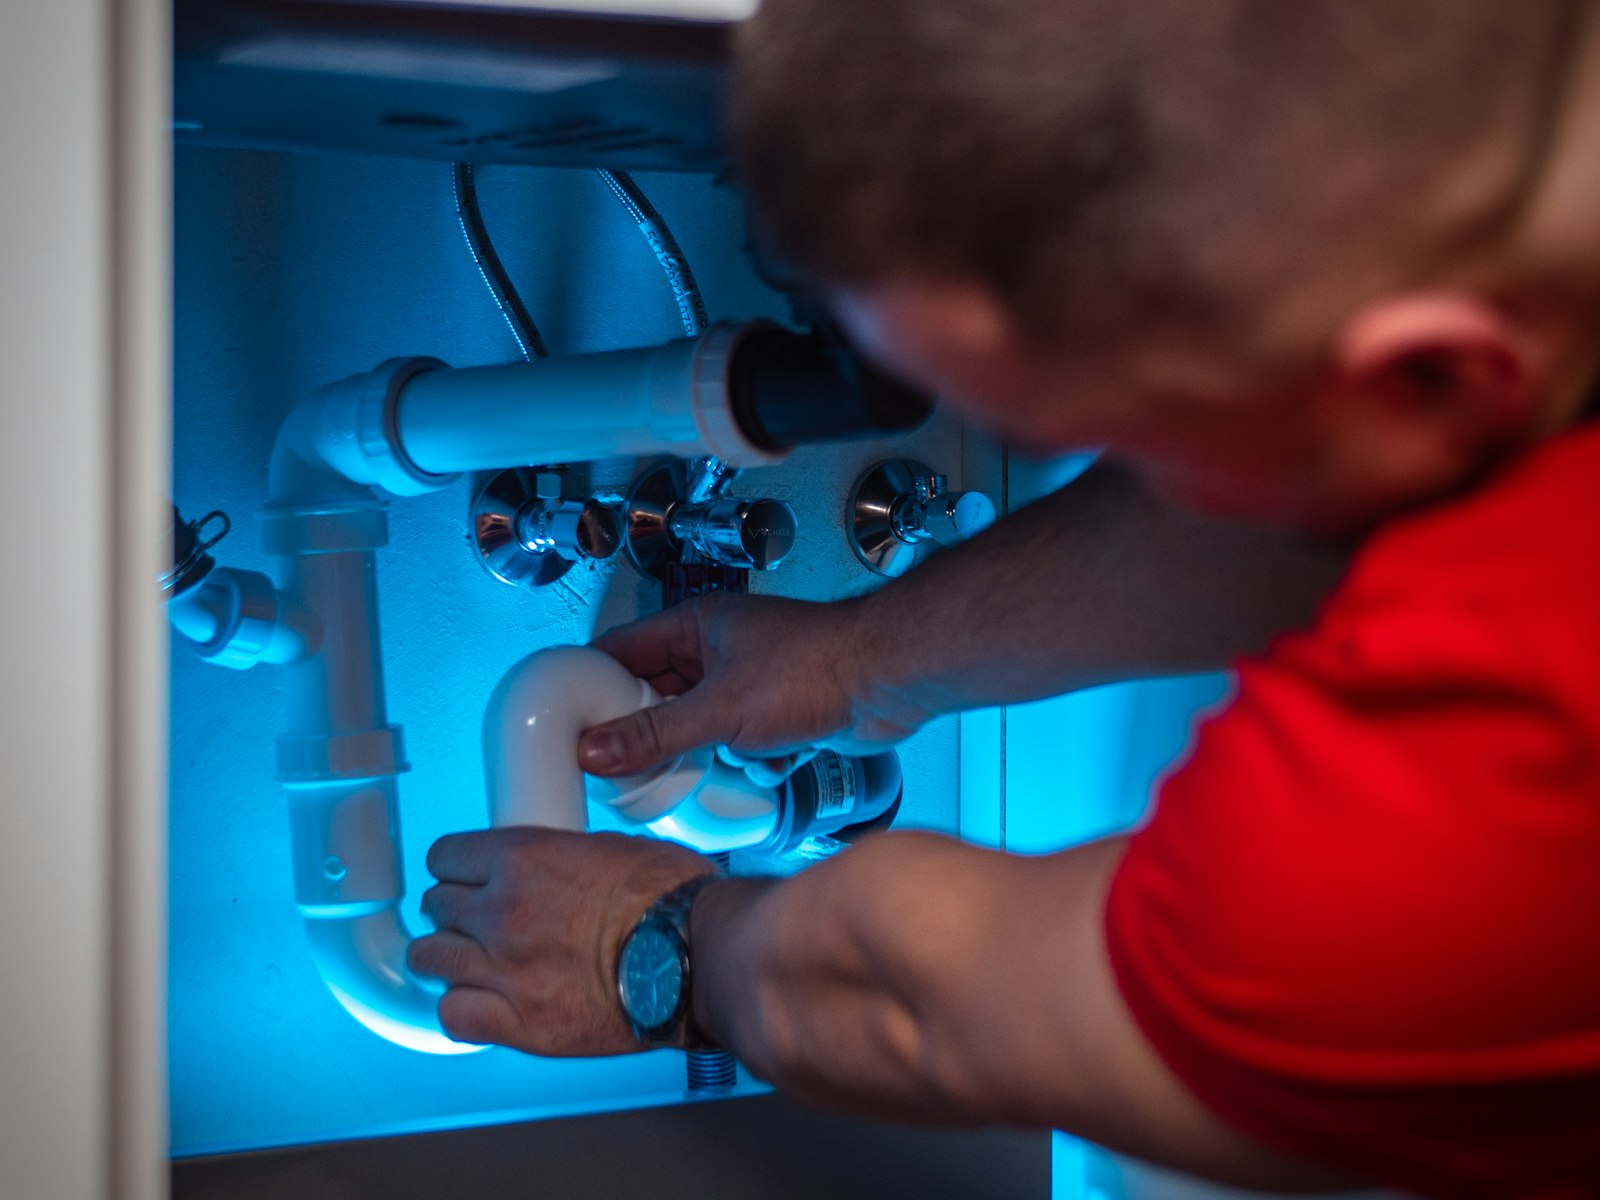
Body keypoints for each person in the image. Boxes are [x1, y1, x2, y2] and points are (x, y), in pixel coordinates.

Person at [407, 2, 1600, 1194]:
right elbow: (1304, 499)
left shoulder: (1502, 760)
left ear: (1434, 374)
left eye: (1134, 434)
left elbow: (958, 1007)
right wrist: (864, 658)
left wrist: (644, 947)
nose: (1131, 475)